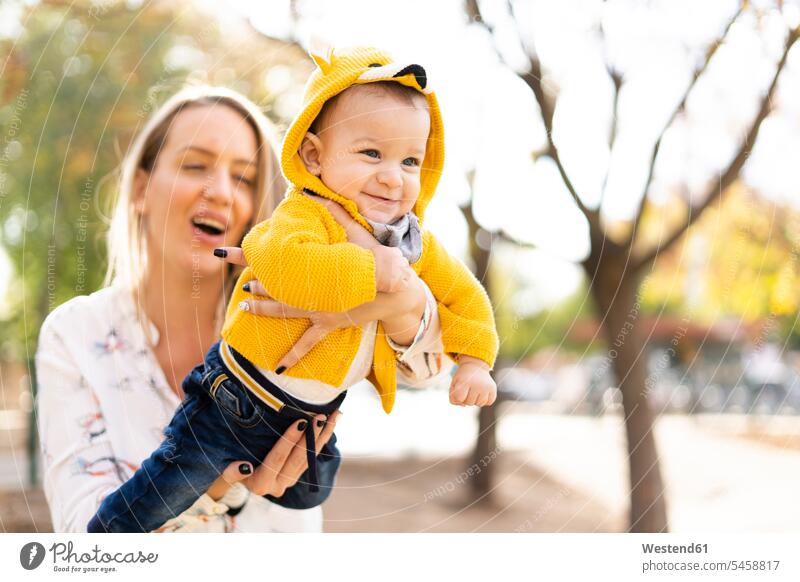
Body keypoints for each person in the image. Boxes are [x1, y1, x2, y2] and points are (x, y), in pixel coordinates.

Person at [86, 45, 499, 533]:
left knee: (308, 496)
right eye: (371, 153)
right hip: (236, 400)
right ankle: (103, 545)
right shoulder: (306, 213)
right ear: (313, 156)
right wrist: (371, 270)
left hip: (311, 417)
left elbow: (463, 298)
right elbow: (280, 260)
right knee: (150, 502)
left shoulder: (413, 244)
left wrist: (473, 359)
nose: (392, 177)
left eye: (411, 160)